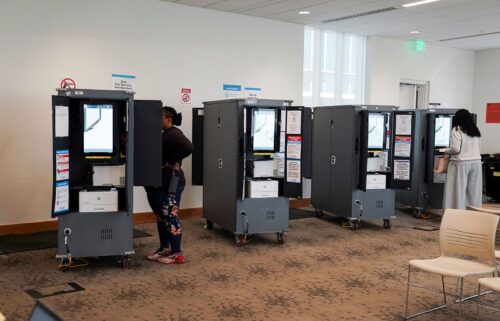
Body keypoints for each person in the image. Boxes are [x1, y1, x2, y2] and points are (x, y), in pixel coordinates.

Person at [145, 106, 193, 264]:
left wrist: (171, 162)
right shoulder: (165, 134)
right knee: (162, 217)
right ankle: (165, 248)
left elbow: (188, 147)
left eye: (160, 117)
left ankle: (177, 253)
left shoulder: (174, 133)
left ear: (168, 119)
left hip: (173, 183)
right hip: (162, 183)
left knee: (170, 216)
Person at [443, 109, 482, 210]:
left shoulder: (456, 129)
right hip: (476, 162)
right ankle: (473, 216)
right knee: (474, 192)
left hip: (460, 163)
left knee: (456, 192)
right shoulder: (474, 129)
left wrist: (447, 152)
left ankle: (455, 217)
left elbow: (455, 148)